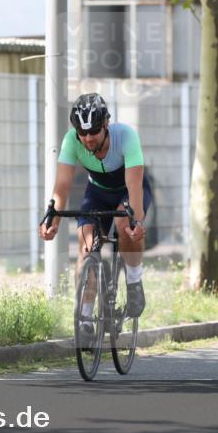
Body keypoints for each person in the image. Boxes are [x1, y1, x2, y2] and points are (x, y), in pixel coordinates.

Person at [38, 93, 151, 323]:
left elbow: (134, 185)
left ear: (106, 124)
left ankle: (134, 281)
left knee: (124, 224)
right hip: (97, 193)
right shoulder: (71, 141)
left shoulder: (126, 136)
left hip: (128, 190)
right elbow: (62, 186)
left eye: (94, 131)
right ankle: (86, 319)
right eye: (82, 133)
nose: (88, 138)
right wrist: (53, 220)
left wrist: (136, 222)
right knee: (87, 246)